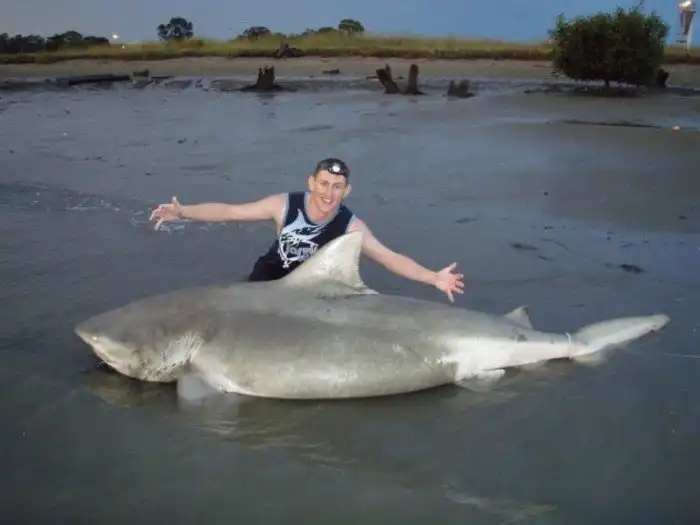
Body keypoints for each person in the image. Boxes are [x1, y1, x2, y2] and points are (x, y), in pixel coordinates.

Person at [149, 158, 465, 302]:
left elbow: (388, 257)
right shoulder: (283, 205)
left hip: (317, 286)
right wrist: (183, 212)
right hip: (271, 279)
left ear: (346, 191)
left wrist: (433, 278)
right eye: (324, 184)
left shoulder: (351, 226)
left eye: (337, 187)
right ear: (311, 182)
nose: (329, 193)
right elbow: (231, 212)